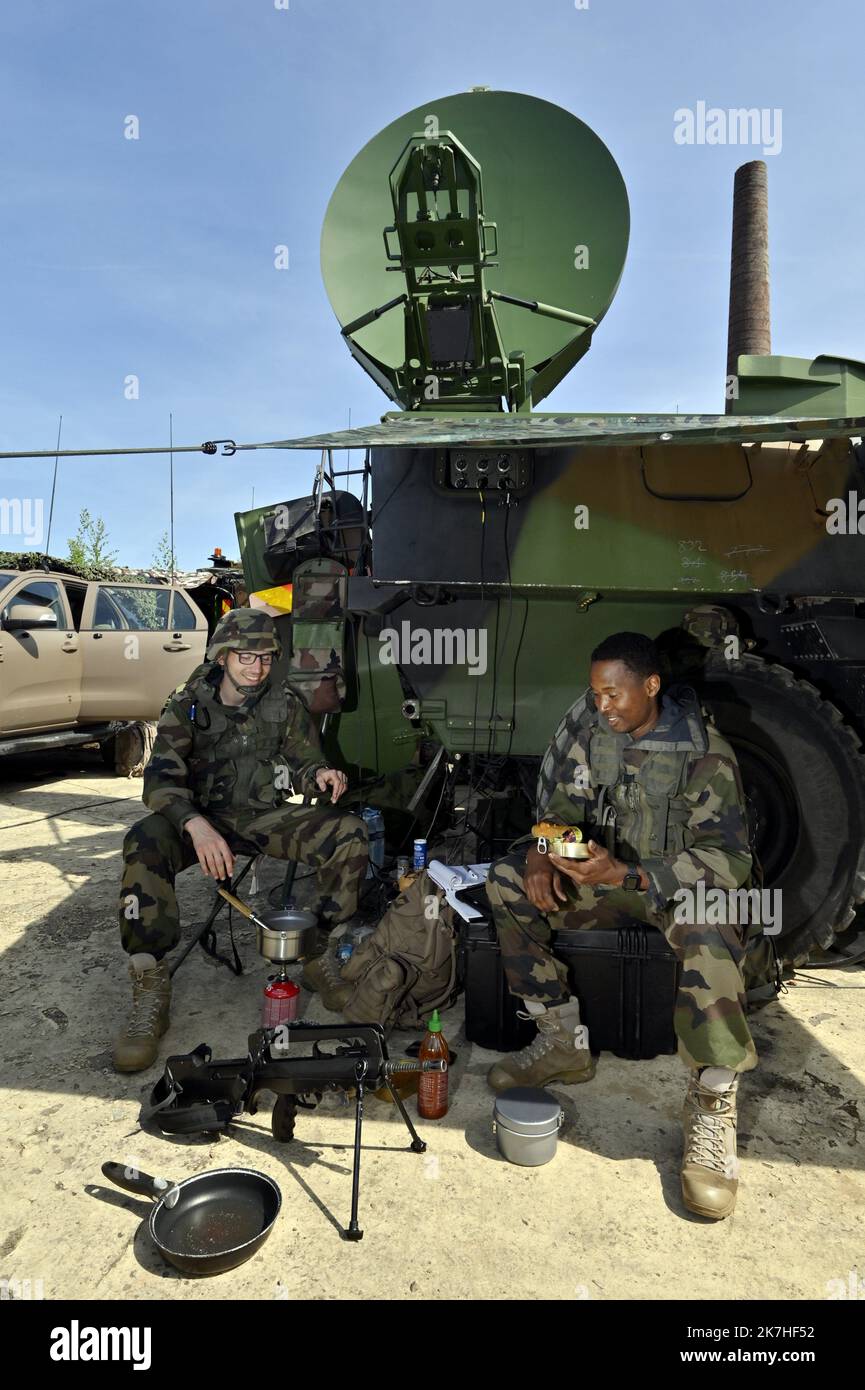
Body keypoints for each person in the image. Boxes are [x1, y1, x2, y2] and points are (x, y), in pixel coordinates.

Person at [485, 631, 765, 1220]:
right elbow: (557, 813)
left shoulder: (705, 753)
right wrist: (542, 853)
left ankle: (712, 1108)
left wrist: (633, 876)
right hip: (607, 882)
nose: (602, 706)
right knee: (506, 880)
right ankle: (563, 1042)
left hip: (670, 893)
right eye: (595, 694)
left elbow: (730, 862)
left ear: (651, 686)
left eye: (612, 694)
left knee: (711, 929)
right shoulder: (594, 739)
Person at [113, 608, 368, 1073]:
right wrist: (195, 824)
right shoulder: (188, 704)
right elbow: (159, 783)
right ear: (223, 655)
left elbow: (304, 759)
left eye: (266, 658)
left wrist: (321, 773)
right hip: (199, 820)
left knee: (348, 833)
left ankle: (317, 951)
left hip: (260, 817)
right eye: (246, 656)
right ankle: (149, 981)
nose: (257, 667)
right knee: (143, 841)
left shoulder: (283, 702)